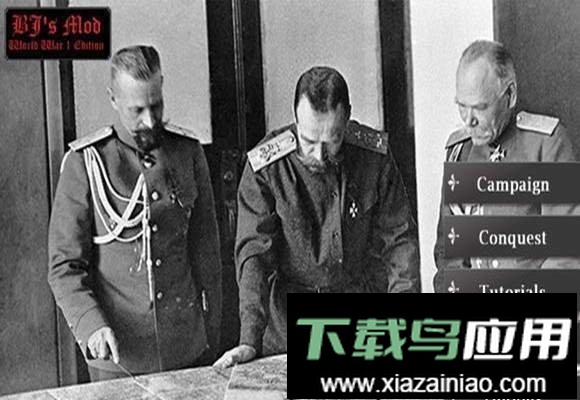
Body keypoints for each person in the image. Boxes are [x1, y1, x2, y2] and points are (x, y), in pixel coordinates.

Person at [213, 66, 420, 368]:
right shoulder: (267, 167)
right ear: (296, 120)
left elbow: (399, 241)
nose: (320, 155)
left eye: (332, 140)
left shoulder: (373, 157)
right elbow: (255, 256)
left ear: (347, 118)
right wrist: (249, 339)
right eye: (309, 141)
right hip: (287, 330)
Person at [48, 45, 223, 381]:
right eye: (137, 110)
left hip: (186, 350)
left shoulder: (188, 153)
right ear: (113, 99)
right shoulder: (86, 162)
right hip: (119, 359)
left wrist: (210, 334)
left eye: (156, 106)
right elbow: (64, 266)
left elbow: (207, 255)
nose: (150, 120)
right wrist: (91, 326)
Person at [433, 39, 580, 289]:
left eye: (480, 107)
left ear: (510, 95)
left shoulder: (546, 145)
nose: (469, 121)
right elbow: (450, 257)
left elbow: (568, 255)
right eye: (462, 107)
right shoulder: (460, 151)